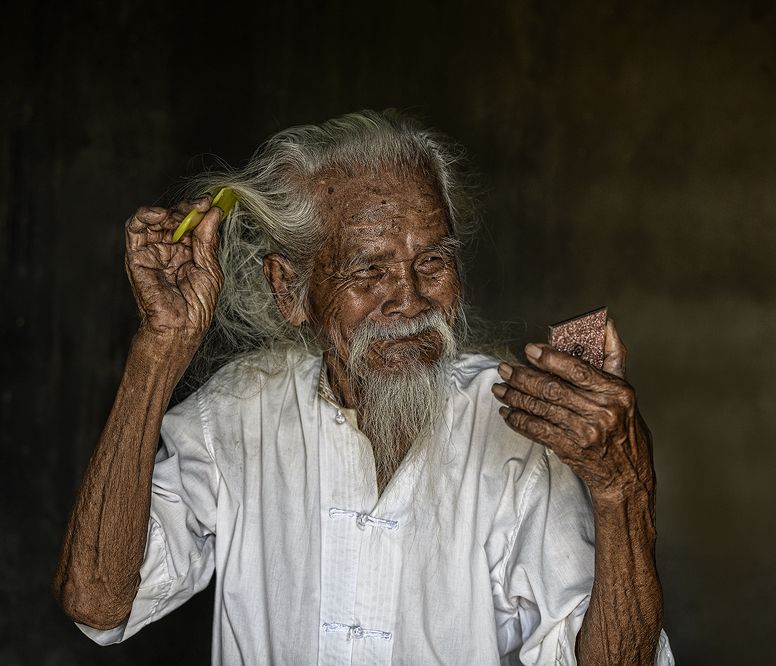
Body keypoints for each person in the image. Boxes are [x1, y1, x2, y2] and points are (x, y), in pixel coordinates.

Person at [53, 110, 674, 664]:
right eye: (368, 269)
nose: (410, 299)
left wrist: (624, 489)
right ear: (289, 290)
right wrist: (158, 348)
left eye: (433, 262)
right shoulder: (239, 413)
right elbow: (99, 602)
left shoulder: (516, 428)